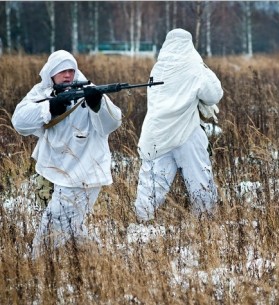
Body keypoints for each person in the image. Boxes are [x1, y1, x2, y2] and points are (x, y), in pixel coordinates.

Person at [11, 50, 122, 257]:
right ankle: (103, 262)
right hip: (60, 171)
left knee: (51, 228)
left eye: (71, 70)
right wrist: (50, 107)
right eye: (62, 71)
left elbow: (112, 122)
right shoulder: (43, 91)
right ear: (51, 74)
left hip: (85, 173)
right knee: (73, 228)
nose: (68, 75)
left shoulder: (88, 90)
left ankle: (36, 266)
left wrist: (97, 105)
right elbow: (19, 121)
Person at [134, 28, 223, 221]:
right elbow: (214, 95)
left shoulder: (157, 68)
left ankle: (142, 221)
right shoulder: (195, 68)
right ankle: (206, 221)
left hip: (157, 134)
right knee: (199, 178)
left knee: (152, 181)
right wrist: (204, 67)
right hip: (187, 133)